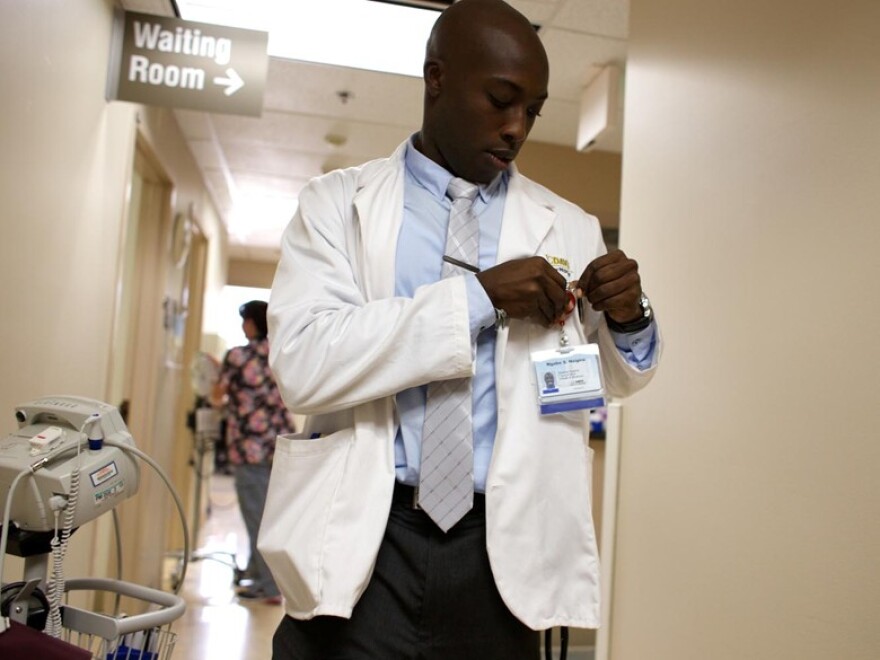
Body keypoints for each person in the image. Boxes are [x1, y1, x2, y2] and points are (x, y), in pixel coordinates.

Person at [262, 0, 661, 657]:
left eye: (531, 111)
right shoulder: (338, 205)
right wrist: (477, 298)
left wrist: (629, 316)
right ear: (437, 78)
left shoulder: (568, 226)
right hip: (368, 535)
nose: (516, 129)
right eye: (501, 100)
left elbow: (608, 379)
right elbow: (304, 364)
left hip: (498, 555)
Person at [211, 300, 295, 605]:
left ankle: (270, 586)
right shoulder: (280, 353)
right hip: (278, 447)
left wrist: (214, 375)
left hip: (249, 448)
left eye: (245, 320)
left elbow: (217, 396)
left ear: (253, 323)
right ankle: (259, 577)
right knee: (270, 515)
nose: (242, 326)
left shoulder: (237, 356)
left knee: (255, 516)